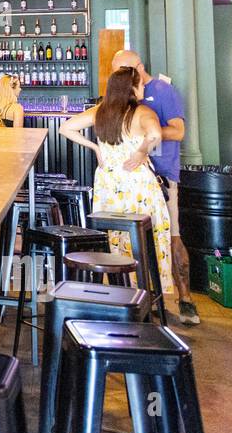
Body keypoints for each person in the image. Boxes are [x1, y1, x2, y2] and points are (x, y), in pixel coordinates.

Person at [61, 66, 174, 299]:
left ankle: (118, 291)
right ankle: (144, 293)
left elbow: (66, 127)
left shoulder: (100, 111)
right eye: (140, 84)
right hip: (137, 185)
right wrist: (142, 151)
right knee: (145, 239)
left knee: (115, 238)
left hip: (108, 185)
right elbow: (155, 135)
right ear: (130, 88)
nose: (143, 87)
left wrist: (95, 148)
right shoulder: (143, 112)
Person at [111, 49, 199, 325]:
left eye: (121, 70)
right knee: (140, 241)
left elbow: (179, 130)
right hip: (134, 180)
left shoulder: (161, 91)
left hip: (162, 175)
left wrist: (148, 134)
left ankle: (185, 300)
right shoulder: (128, 94)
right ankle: (142, 300)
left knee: (172, 236)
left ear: (137, 68)